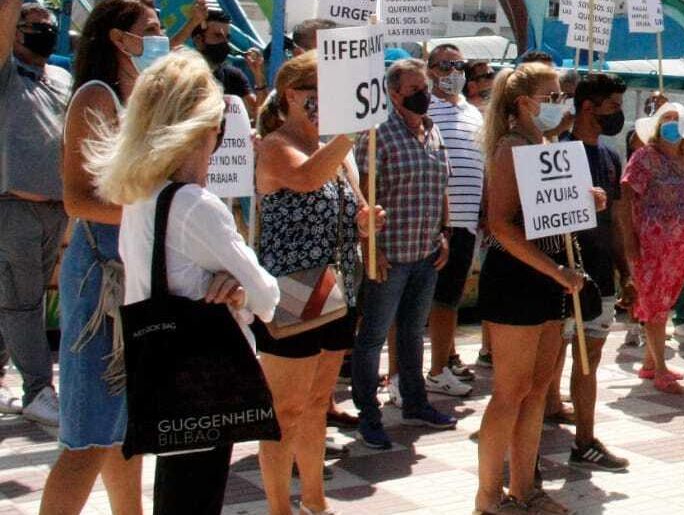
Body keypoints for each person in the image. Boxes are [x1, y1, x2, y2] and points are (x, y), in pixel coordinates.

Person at [94, 50, 278, 514]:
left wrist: (232, 286)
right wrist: (239, 290)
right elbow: (267, 296)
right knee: (196, 496)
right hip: (205, 378)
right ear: (207, 128)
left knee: (176, 493)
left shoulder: (142, 198)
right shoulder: (196, 204)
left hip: (157, 371)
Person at [39, 0, 162, 515]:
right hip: (100, 282)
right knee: (89, 434)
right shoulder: (96, 97)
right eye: (150, 28)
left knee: (123, 427)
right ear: (118, 37)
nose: (160, 37)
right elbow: (78, 200)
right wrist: (157, 213)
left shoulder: (136, 100)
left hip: (130, 273)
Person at [253, 52, 378, 515]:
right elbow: (305, 179)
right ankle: (278, 508)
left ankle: (315, 501)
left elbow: (353, 210)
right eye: (319, 93)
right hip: (293, 290)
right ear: (292, 95)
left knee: (317, 402)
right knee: (285, 409)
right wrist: (351, 131)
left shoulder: (335, 154)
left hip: (335, 288)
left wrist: (366, 220)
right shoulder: (276, 146)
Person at [473, 63, 587, 515]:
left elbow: (550, 210)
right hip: (517, 276)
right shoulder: (509, 148)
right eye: (552, 96)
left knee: (538, 388)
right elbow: (501, 223)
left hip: (550, 276)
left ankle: (525, 488)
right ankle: (488, 495)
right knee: (511, 390)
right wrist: (553, 269)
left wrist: (586, 199)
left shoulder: (546, 146)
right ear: (524, 103)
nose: (561, 103)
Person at [353, 59, 456, 450]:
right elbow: (364, 194)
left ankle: (415, 403)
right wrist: (371, 248)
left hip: (426, 253)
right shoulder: (377, 133)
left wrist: (445, 232)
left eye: (424, 87)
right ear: (393, 94)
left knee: (413, 334)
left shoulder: (432, 130)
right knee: (373, 337)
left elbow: (441, 185)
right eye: (414, 89)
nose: (422, 94)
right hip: (391, 254)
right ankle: (368, 414)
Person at [0, 0, 70, 424]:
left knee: (16, 300)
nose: (44, 33)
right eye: (35, 27)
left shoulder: (61, 79)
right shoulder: (6, 73)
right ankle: (38, 389)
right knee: (22, 302)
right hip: (15, 207)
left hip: (55, 208)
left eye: (50, 27)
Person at [556, 71, 631, 473]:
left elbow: (617, 221)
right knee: (550, 358)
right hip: (561, 273)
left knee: (589, 358)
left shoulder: (610, 156)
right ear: (589, 107)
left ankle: (584, 440)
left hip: (600, 274)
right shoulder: (556, 153)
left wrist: (626, 272)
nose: (619, 113)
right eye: (613, 106)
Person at [618, 101, 684, 393]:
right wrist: (629, 240)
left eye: (677, 119)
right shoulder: (644, 157)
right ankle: (660, 369)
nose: (671, 125)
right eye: (666, 119)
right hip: (651, 245)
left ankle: (651, 363)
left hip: (682, 246)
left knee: (665, 302)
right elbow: (625, 197)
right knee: (654, 304)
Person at [425, 44, 485, 396]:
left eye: (459, 65)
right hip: (434, 220)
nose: (453, 72)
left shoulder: (473, 112)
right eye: (445, 65)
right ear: (430, 69)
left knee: (450, 296)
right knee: (431, 298)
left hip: (467, 221)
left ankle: (444, 360)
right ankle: (431, 369)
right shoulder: (424, 108)